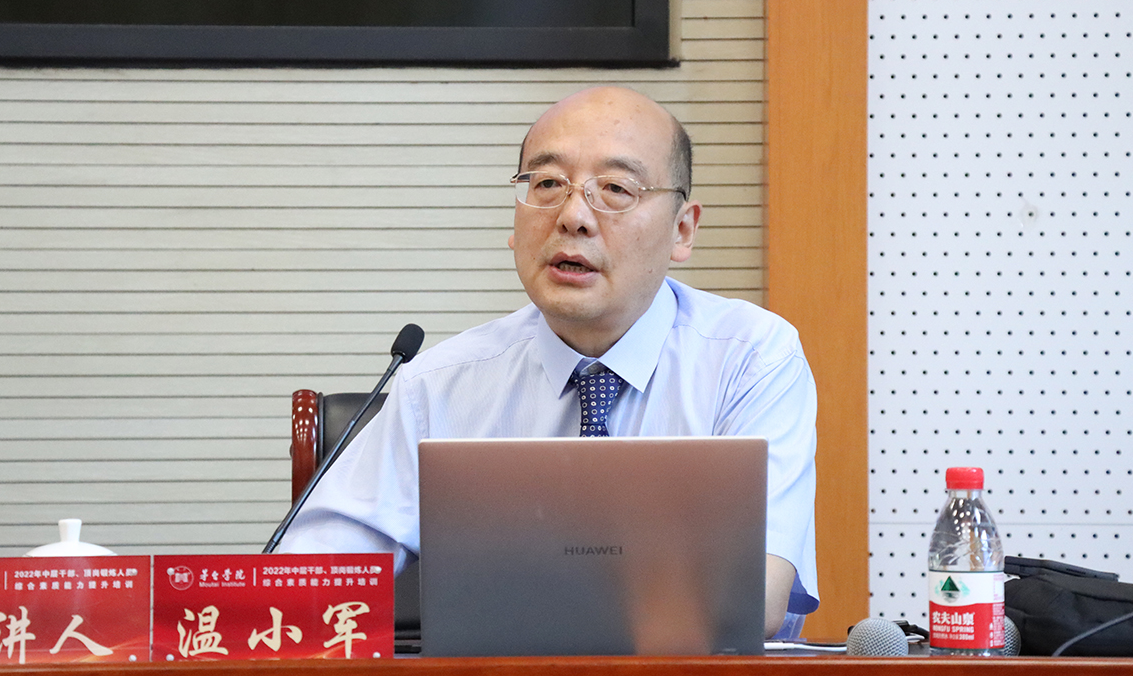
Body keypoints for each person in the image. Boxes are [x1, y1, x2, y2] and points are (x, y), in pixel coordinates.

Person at [278, 86, 819, 637]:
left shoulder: (750, 360)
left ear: (682, 230)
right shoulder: (437, 387)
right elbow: (302, 587)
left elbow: (755, 599)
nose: (573, 216)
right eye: (548, 184)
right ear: (516, 225)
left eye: (615, 188)